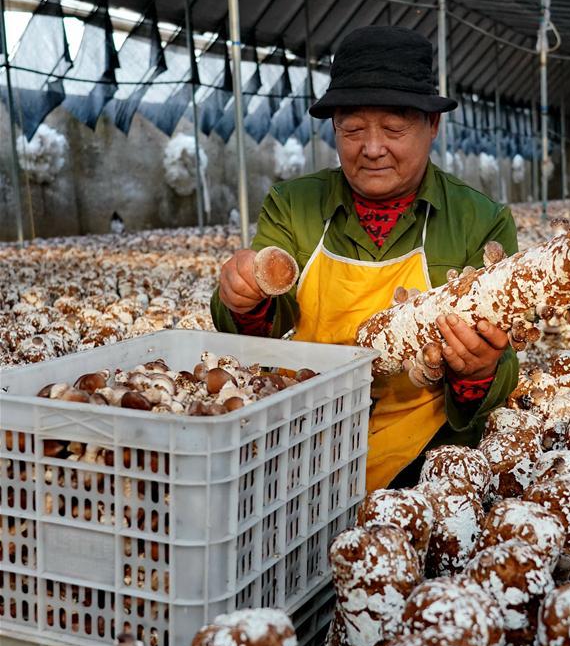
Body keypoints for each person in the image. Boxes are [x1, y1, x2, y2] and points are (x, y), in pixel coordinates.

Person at [212, 26, 519, 492]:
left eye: (394, 129)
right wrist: (243, 299)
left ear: (431, 126)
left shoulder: (482, 222)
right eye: (352, 129)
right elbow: (261, 333)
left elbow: (501, 360)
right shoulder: (293, 204)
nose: (372, 148)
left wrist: (481, 368)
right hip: (304, 430)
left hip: (422, 451)